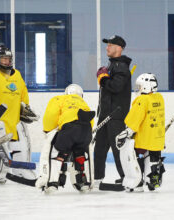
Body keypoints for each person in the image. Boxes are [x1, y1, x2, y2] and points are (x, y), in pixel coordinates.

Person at [0, 44, 38, 184]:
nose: (7, 62)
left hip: (15, 120)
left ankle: (20, 171)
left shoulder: (17, 74)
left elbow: (23, 96)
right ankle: (0, 174)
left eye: (9, 59)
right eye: (4, 59)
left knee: (20, 147)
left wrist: (26, 109)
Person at [35, 84, 95, 193]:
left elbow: (51, 115)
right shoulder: (82, 102)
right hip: (86, 132)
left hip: (69, 130)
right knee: (80, 153)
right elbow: (91, 122)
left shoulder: (59, 99)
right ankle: (82, 182)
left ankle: (52, 182)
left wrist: (48, 130)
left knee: (57, 152)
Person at [115, 73, 166, 192]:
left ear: (146, 86)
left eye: (139, 86)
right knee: (153, 156)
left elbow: (134, 121)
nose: (138, 89)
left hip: (144, 139)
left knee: (134, 156)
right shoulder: (159, 97)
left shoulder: (142, 100)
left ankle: (137, 182)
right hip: (157, 139)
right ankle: (153, 179)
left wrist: (126, 132)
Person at [94, 35, 132, 186]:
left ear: (119, 48)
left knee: (118, 149)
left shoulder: (121, 67)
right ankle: (97, 177)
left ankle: (127, 176)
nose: (107, 47)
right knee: (100, 148)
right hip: (105, 115)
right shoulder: (112, 66)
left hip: (115, 116)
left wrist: (102, 79)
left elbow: (116, 87)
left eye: (110, 45)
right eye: (107, 44)